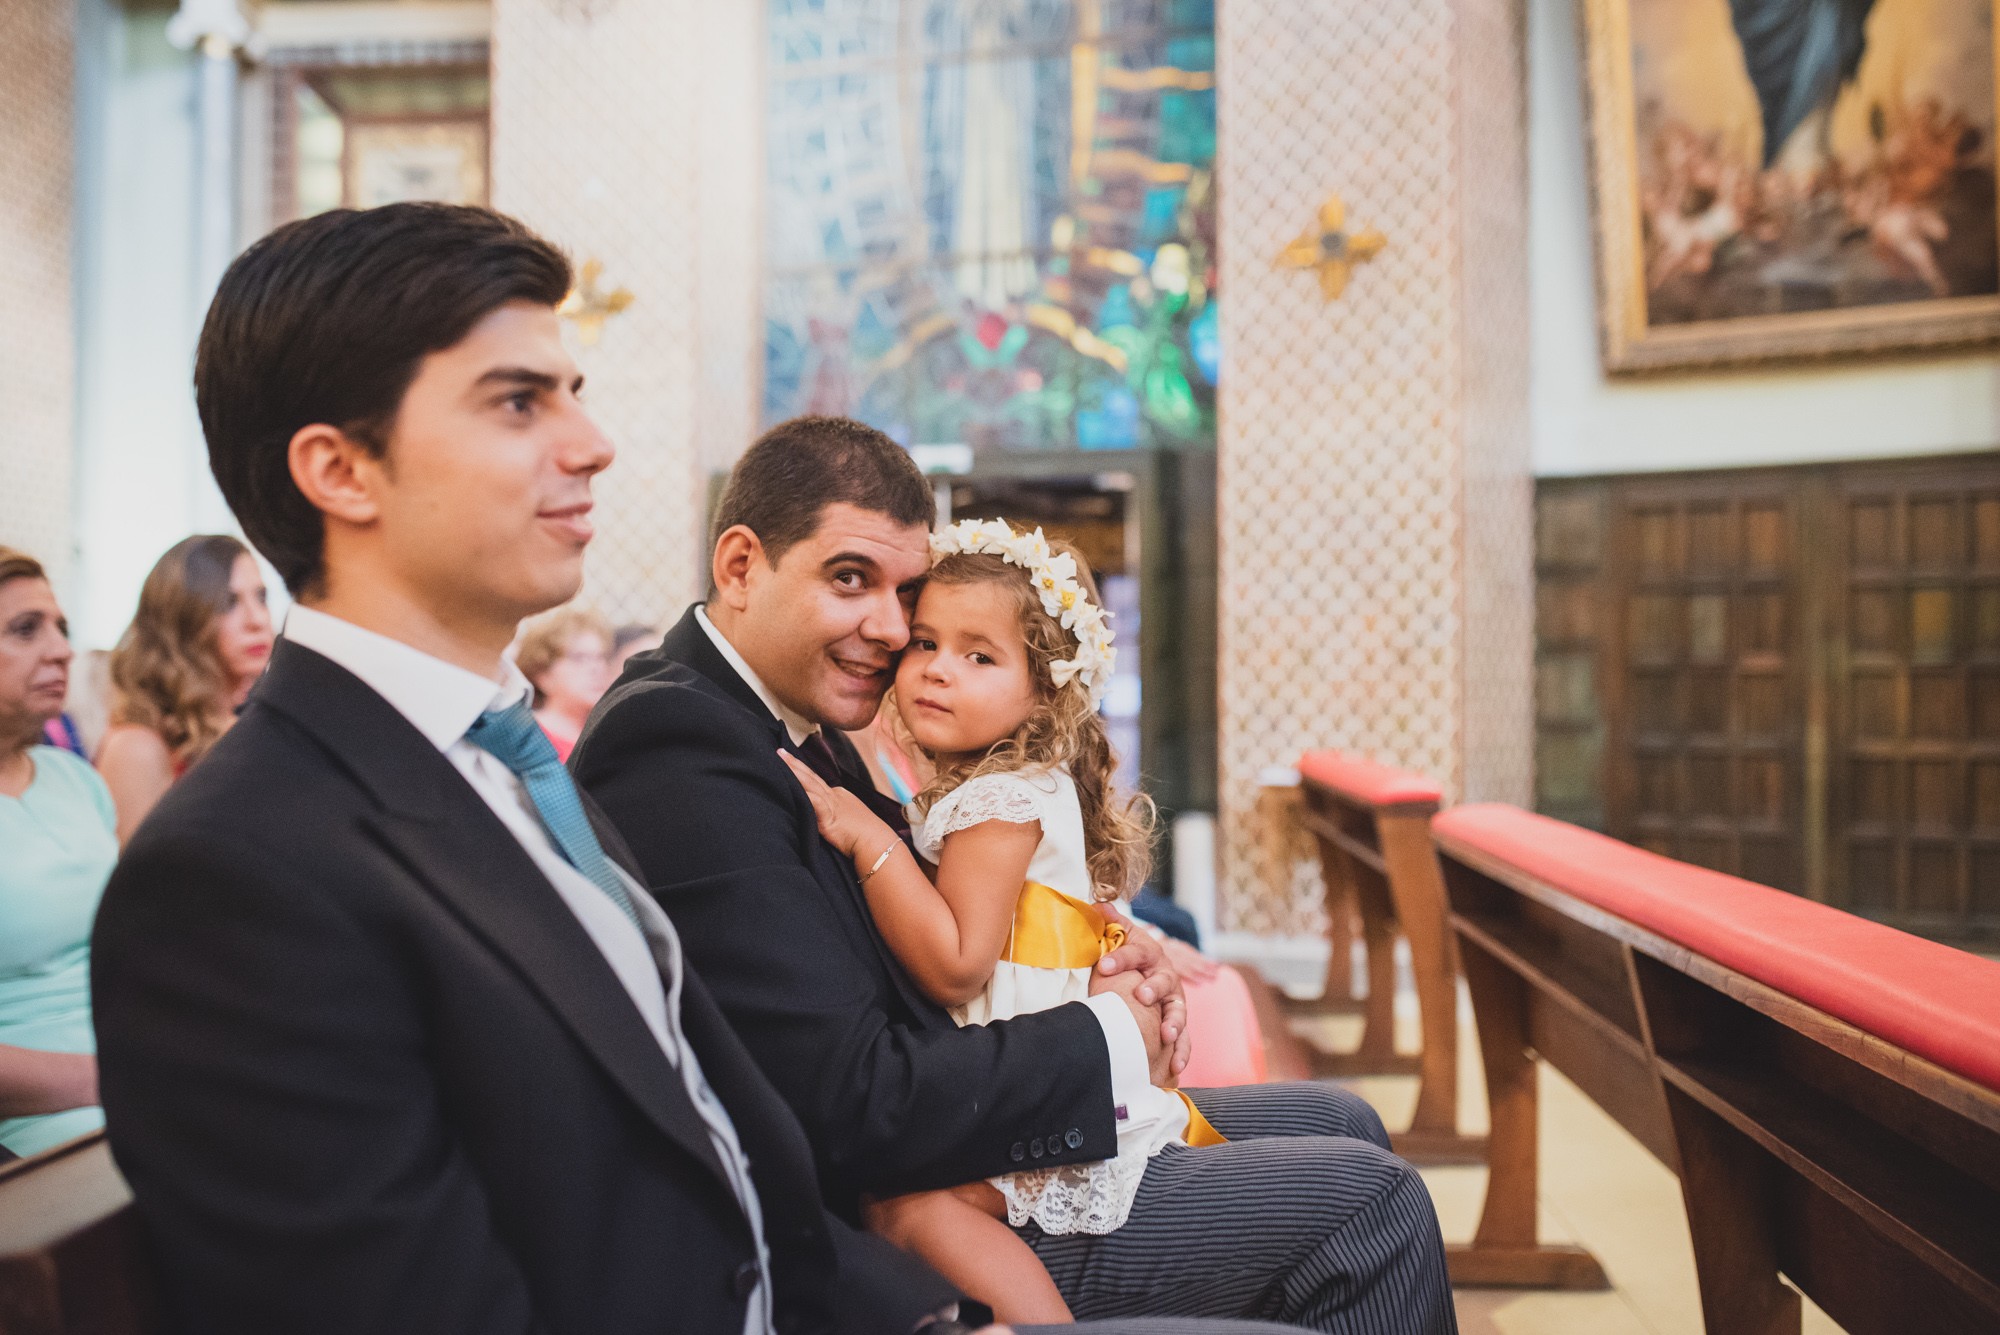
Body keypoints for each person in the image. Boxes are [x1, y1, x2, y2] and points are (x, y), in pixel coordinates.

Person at [88, 203, 1300, 1335]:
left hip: (855, 1287)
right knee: (1356, 1215)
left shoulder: (511, 764)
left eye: (572, 393)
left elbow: (734, 1134)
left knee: (1346, 1177)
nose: (593, 444)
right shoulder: (239, 867)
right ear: (339, 471)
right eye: (518, 404)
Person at [572, 416, 1458, 1334]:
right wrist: (1113, 1039)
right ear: (741, 564)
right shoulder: (676, 743)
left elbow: (947, 895)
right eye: (850, 579)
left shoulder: (800, 721)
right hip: (881, 1214)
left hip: (952, 1105)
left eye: (905, 591)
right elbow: (847, 1102)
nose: (889, 628)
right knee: (1370, 1205)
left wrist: (1113, 946)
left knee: (1341, 1121)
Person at [782, 522, 1226, 1324]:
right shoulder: (1002, 782)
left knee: (913, 1212)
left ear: (1043, 691)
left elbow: (956, 963)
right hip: (1044, 1069)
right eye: (925, 643)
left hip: (1037, 1086)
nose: (937, 670)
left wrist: (868, 838)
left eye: (979, 656)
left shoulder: (997, 800)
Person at [0, 547, 117, 1161]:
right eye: (26, 629)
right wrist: (110, 1077)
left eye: (62, 629)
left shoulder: (75, 780)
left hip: (141, 1074)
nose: (62, 650)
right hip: (45, 1128)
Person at [97, 534, 273, 843]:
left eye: (261, 598)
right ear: (183, 620)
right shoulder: (138, 748)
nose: (257, 620)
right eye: (229, 603)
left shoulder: (258, 720)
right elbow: (139, 886)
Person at [515, 604, 618, 761]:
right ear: (542, 673)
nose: (597, 668)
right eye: (579, 658)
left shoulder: (608, 734)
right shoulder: (525, 736)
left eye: (601, 657)